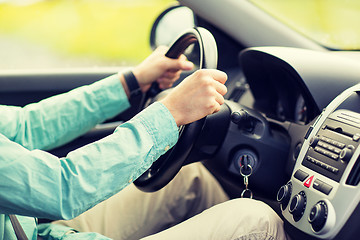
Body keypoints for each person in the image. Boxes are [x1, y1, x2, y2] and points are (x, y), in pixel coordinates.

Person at [0, 46, 288, 240]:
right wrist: (169, 112)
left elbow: (24, 125)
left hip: (34, 230)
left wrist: (130, 83)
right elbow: (62, 189)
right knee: (258, 221)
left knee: (188, 176)